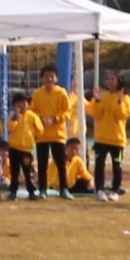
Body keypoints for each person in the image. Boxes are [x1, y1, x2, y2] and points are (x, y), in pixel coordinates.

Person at [30, 70, 79, 198]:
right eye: (46, 76)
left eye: (52, 76)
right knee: (42, 164)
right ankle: (42, 190)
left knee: (61, 163)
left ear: (56, 78)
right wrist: (41, 118)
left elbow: (68, 112)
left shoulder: (61, 93)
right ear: (42, 78)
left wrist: (55, 118)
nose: (49, 79)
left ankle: (64, 189)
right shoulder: (37, 94)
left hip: (58, 134)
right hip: (42, 135)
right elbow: (32, 112)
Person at [86, 72, 130, 200]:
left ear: (119, 82)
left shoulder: (125, 98)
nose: (109, 81)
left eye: (113, 79)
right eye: (107, 79)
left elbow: (122, 115)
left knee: (117, 165)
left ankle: (115, 190)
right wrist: (97, 100)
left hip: (117, 139)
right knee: (99, 164)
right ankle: (99, 189)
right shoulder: (103, 96)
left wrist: (119, 102)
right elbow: (95, 113)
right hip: (102, 138)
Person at [2, 101, 41, 200]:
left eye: (24, 103)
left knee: (28, 171)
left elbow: (40, 129)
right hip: (14, 148)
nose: (21, 106)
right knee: (14, 171)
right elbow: (10, 127)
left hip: (26, 149)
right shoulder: (12, 116)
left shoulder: (32, 116)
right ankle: (13, 192)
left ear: (27, 104)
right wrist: (16, 118)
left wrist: (33, 136)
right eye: (19, 104)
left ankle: (31, 192)